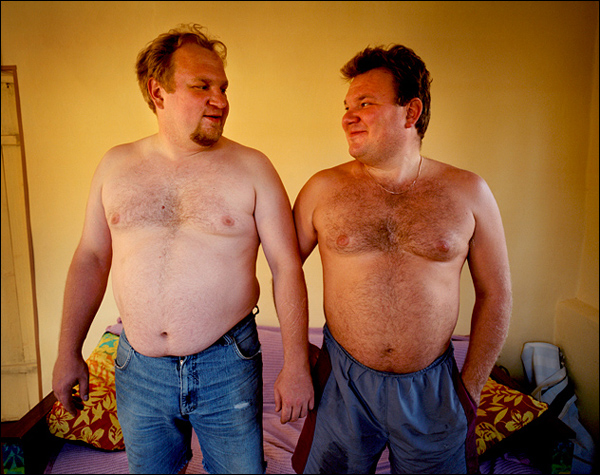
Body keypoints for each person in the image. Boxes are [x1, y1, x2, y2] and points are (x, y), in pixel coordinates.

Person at [51, 24, 314, 474]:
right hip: (139, 369)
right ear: (159, 92)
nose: (221, 100)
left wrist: (296, 365)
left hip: (227, 364)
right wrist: (67, 350)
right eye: (202, 86)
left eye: (223, 87)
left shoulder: (253, 168)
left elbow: (286, 266)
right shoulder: (116, 165)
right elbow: (91, 258)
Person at [291, 44, 512, 474]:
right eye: (347, 106)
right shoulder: (322, 189)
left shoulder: (469, 192)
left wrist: (470, 389)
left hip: (434, 388)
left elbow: (496, 293)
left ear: (411, 112)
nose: (348, 117)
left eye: (365, 104)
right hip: (342, 383)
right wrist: (297, 360)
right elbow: (285, 269)